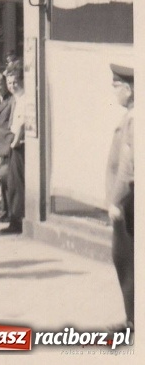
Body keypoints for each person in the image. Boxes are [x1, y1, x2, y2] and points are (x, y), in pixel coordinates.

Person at [106, 63, 134, 331]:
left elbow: (128, 167)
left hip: (130, 203)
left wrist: (116, 201)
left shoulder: (135, 118)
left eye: (116, 87)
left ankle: (133, 319)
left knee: (125, 259)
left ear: (128, 89)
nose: (113, 91)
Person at [1, 68, 25, 234]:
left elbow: (23, 123)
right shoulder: (15, 99)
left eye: (15, 81)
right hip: (13, 143)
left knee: (16, 184)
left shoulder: (24, 99)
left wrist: (14, 143)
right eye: (9, 82)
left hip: (19, 144)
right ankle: (14, 218)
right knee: (11, 183)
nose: (12, 85)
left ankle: (16, 221)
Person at [0, 72, 14, 222]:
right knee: (3, 181)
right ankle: (5, 210)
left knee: (8, 180)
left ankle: (11, 212)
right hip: (1, 145)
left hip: (9, 144)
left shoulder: (12, 101)